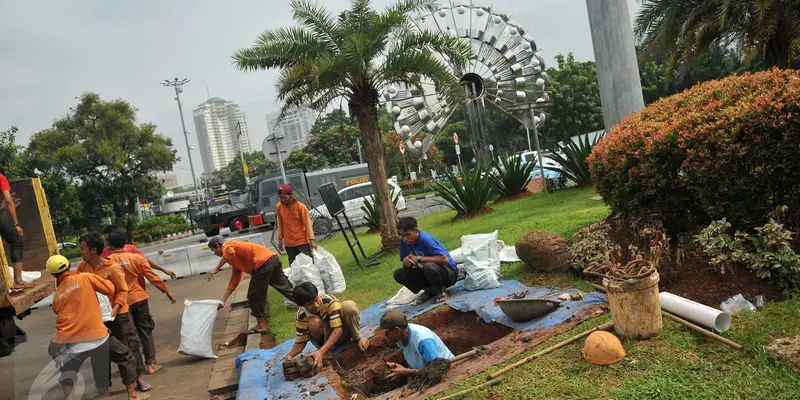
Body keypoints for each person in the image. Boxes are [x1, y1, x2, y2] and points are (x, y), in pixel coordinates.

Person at [45, 255, 147, 400]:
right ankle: (132, 396)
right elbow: (110, 289)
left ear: (52, 274)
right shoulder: (86, 277)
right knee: (126, 357)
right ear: (68, 265)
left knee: (67, 370)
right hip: (97, 336)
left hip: (70, 340)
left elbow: (57, 310)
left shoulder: (57, 295)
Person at [77, 233, 153, 393]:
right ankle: (102, 385)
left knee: (130, 346)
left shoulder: (112, 268)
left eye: (82, 249)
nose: (80, 252)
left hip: (118, 314)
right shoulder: (82, 268)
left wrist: (115, 309)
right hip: (97, 317)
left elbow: (122, 290)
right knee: (98, 350)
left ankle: (138, 378)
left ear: (93, 250)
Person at [107, 231, 176, 375]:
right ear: (125, 243)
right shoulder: (136, 258)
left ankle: (135, 367)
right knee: (145, 332)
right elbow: (152, 277)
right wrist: (167, 291)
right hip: (139, 298)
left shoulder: (107, 262)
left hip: (121, 304)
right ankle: (150, 364)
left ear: (109, 245)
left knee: (129, 335)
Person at [205, 236, 294, 333]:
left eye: (213, 250)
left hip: (262, 264)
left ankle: (261, 325)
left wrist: (217, 268)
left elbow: (229, 252)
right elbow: (234, 279)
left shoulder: (227, 245)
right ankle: (309, 302)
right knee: (286, 288)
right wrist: (223, 300)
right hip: (273, 259)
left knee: (254, 295)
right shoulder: (232, 259)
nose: (214, 253)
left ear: (218, 245)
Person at [284, 282, 368, 372]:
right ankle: (326, 350)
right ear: (302, 306)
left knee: (348, 306)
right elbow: (300, 342)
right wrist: (289, 356)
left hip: (344, 332)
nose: (316, 305)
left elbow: (338, 330)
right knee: (314, 322)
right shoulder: (301, 315)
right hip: (326, 341)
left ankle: (357, 338)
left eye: (316, 300)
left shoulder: (329, 301)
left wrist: (320, 352)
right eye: (310, 304)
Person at [376, 310, 454, 382]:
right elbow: (412, 362)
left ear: (396, 330)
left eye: (387, 333)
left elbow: (437, 370)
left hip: (449, 371)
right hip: (426, 373)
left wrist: (406, 372)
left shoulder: (423, 341)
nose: (386, 336)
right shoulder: (400, 338)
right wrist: (409, 382)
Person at [393, 217, 458, 303]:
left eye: (408, 235)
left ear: (416, 229)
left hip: (448, 274)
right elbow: (408, 266)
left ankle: (441, 291)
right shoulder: (404, 242)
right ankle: (429, 289)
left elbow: (444, 259)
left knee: (429, 266)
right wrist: (406, 263)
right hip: (426, 273)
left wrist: (419, 259)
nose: (405, 238)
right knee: (399, 274)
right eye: (402, 235)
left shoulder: (426, 239)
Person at [102, 225, 177, 279]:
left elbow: (145, 262)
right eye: (105, 240)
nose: (107, 242)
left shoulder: (131, 249)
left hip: (136, 292)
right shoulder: (103, 254)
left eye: (108, 239)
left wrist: (163, 270)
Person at [0, 169, 31, 289]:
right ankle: (18, 281)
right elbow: (8, 200)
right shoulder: (1, 178)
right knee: (16, 241)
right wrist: (16, 224)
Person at [275, 184, 317, 266]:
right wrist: (280, 240)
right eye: (280, 198)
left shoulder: (301, 207)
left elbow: (307, 224)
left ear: (291, 196)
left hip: (302, 242)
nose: (283, 200)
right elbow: (280, 223)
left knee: (308, 265)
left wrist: (311, 241)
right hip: (288, 244)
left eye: (284, 197)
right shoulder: (279, 207)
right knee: (294, 267)